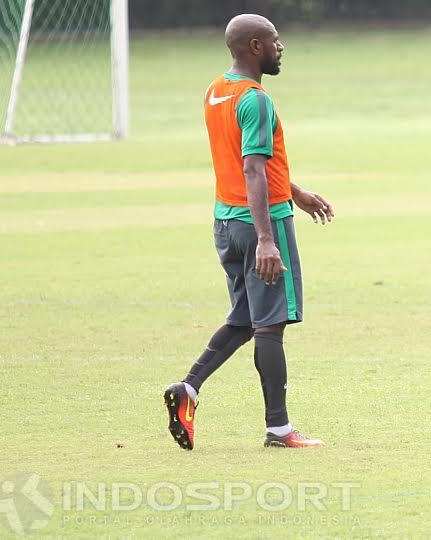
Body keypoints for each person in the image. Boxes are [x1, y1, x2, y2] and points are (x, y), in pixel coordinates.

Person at [163, 14, 334, 450]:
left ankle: (189, 389)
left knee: (244, 319)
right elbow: (252, 167)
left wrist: (294, 191)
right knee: (270, 326)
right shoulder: (255, 99)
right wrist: (266, 239)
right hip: (259, 223)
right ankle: (279, 429)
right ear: (255, 46)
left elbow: (250, 159)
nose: (282, 47)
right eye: (276, 40)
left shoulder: (216, 91)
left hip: (225, 221)